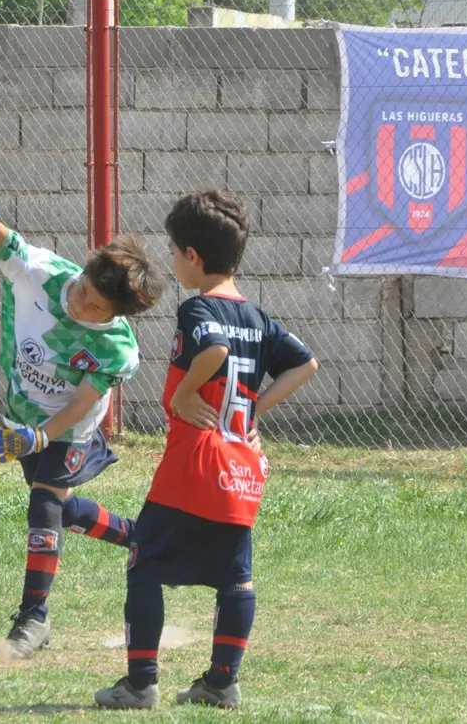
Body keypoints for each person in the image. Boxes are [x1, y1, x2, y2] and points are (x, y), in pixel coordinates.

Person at [94, 189, 319, 710]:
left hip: (195, 463)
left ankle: (140, 683)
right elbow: (305, 365)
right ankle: (221, 682)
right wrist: (252, 412)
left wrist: (185, 393)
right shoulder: (257, 318)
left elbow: (214, 350)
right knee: (235, 576)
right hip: (241, 466)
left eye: (174, 252)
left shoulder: (198, 306)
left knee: (144, 562)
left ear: (192, 256)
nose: (173, 262)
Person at [0, 204, 167, 658]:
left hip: (70, 430)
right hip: (22, 412)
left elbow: (83, 402)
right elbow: (7, 242)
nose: (80, 302)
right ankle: (137, 536)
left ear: (115, 315)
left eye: (95, 306)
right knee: (57, 513)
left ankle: (34, 618)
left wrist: (41, 438)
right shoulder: (43, 274)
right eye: (83, 288)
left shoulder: (116, 347)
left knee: (44, 502)